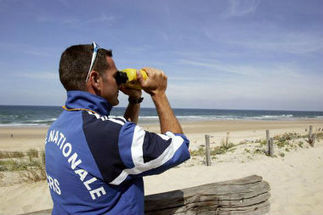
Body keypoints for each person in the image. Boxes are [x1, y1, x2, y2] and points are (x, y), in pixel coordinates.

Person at [45, 42, 190, 215]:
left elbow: (115, 151)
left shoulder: (58, 126)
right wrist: (158, 93)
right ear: (96, 80)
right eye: (116, 76)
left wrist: (135, 100)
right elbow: (178, 148)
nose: (119, 83)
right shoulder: (108, 134)